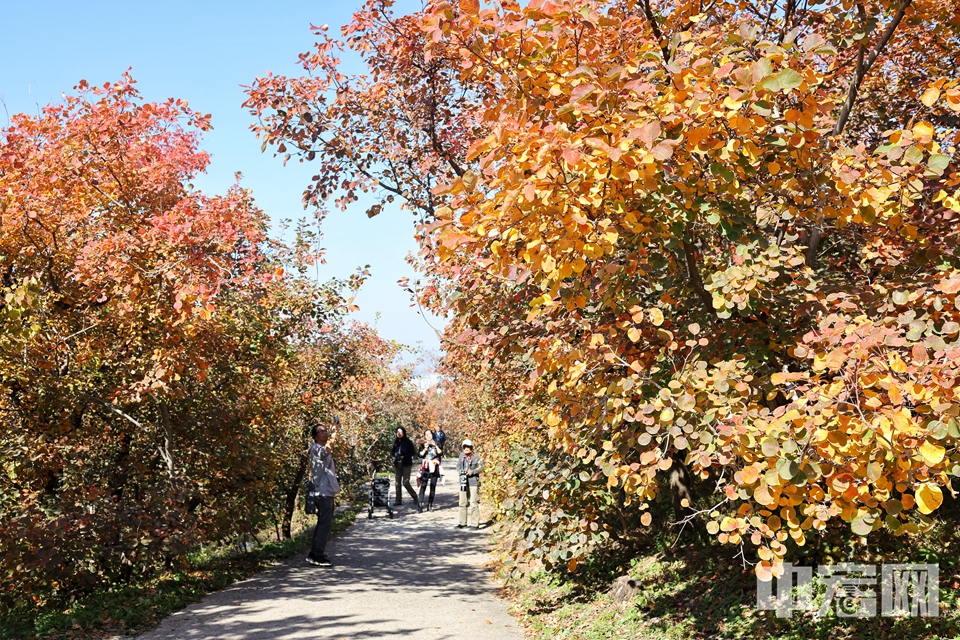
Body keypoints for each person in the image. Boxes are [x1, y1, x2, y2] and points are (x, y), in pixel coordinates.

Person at [306, 418, 340, 567]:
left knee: (322, 524)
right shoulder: (315, 448)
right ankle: (317, 555)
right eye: (321, 431)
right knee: (325, 524)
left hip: (326, 491)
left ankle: (314, 553)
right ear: (314, 436)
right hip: (322, 492)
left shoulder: (320, 448)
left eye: (326, 430)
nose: (325, 433)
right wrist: (335, 433)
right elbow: (326, 451)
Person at [456, 439, 484, 529]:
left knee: (473, 502)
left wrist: (473, 471)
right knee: (462, 502)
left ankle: (474, 524)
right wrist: (459, 471)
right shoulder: (461, 455)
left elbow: (482, 467)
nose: (466, 449)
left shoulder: (476, 456)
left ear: (471, 447)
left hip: (473, 481)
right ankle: (462, 523)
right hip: (463, 481)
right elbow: (458, 465)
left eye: (468, 447)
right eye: (464, 447)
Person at [391, 425, 418, 506]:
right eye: (397, 432)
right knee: (397, 483)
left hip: (406, 464)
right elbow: (392, 451)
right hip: (397, 464)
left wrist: (404, 456)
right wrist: (395, 454)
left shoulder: (408, 442)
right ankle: (398, 500)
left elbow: (413, 452)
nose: (399, 434)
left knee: (405, 482)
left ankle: (415, 497)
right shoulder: (396, 442)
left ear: (404, 433)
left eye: (400, 432)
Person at [417, 431, 443, 512]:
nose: (429, 436)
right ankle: (420, 505)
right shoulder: (422, 444)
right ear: (425, 436)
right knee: (423, 485)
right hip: (426, 467)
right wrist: (425, 448)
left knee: (433, 486)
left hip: (434, 466)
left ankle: (430, 505)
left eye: (430, 434)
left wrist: (435, 445)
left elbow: (440, 453)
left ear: (432, 435)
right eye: (427, 435)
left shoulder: (437, 443)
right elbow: (420, 455)